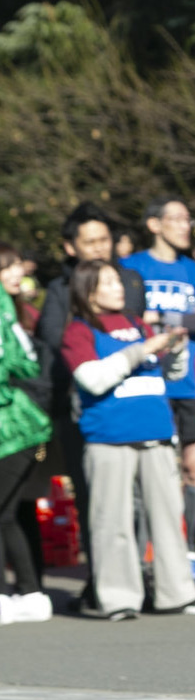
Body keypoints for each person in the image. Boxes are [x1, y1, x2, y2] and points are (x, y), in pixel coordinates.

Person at [59, 260, 195, 618]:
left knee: (168, 518)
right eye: (109, 282)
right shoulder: (78, 331)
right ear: (88, 290)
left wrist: (174, 351)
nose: (119, 288)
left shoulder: (137, 323)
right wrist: (141, 350)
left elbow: (168, 375)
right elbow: (92, 379)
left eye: (118, 281)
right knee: (112, 521)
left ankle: (177, 593)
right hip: (108, 438)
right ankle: (118, 599)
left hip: (156, 434)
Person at [36, 202, 147, 596]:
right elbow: (54, 339)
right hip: (86, 408)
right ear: (71, 248)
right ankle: (102, 580)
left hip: (137, 405)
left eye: (105, 239)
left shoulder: (130, 280)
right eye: (90, 241)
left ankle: (138, 574)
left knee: (140, 498)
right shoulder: (59, 290)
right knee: (94, 498)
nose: (101, 247)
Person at [121, 197, 195, 580]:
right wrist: (180, 319)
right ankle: (146, 560)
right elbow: (127, 315)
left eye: (188, 219)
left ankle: (188, 555)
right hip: (147, 382)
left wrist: (161, 316)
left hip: (190, 382)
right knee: (148, 477)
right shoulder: (132, 266)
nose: (185, 225)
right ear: (154, 224)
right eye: (176, 218)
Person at [0, 245, 53, 624]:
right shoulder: (10, 308)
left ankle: (7, 595)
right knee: (10, 513)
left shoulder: (7, 306)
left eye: (18, 265)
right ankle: (31, 593)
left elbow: (14, 363)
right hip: (22, 424)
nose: (17, 272)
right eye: (9, 266)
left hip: (13, 425)